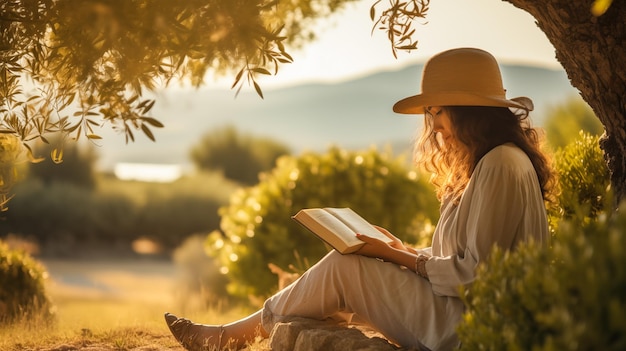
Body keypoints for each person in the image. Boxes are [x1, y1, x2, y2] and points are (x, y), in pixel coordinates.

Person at [164, 47, 555, 351]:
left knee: (345, 267)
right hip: (464, 314)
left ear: (468, 111)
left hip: (472, 328)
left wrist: (398, 257)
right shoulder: (489, 163)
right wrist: (400, 249)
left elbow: (476, 275)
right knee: (352, 262)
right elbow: (465, 257)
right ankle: (237, 334)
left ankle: (228, 338)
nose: (434, 127)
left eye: (438, 112)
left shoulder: (501, 164)